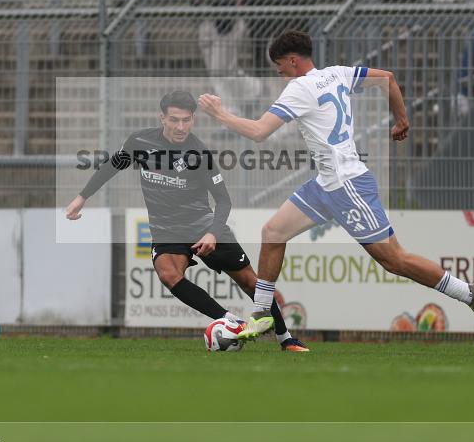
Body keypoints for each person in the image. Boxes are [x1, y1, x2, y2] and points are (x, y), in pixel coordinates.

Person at [197, 30, 474, 340]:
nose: (279, 71)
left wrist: (220, 113)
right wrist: (402, 120)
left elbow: (259, 132)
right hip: (325, 183)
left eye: (280, 65)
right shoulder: (337, 73)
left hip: (347, 184)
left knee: (394, 259)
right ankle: (261, 314)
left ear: (293, 61)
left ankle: (470, 293)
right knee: (273, 232)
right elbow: (388, 78)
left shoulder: (298, 88)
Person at [65, 91, 309, 352]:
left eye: (186, 120)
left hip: (203, 226)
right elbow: (113, 165)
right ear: (163, 119)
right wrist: (82, 197)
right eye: (174, 120)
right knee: (168, 274)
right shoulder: (140, 141)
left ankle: (286, 339)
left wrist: (213, 234)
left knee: (251, 281)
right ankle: (230, 322)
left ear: (193, 119)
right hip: (166, 230)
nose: (180, 127)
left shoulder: (199, 153)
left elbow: (223, 200)